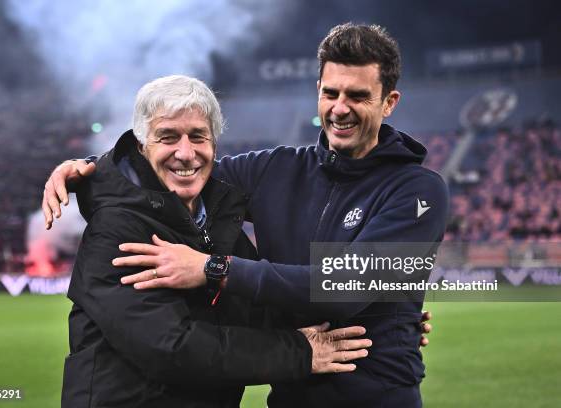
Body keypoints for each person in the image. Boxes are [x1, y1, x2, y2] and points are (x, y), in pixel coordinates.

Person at [45, 23, 445, 407]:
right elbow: (175, 169)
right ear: (318, 91)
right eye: (331, 93)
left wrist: (214, 268)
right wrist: (92, 170)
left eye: (357, 96)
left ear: (389, 102)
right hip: (291, 395)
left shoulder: (417, 191)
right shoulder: (275, 169)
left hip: (376, 399)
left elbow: (344, 287)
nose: (340, 109)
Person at [60, 75, 373, 408]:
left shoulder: (217, 221)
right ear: (141, 145)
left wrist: (383, 319)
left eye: (198, 137)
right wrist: (300, 352)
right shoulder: (117, 228)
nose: (185, 153)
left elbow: (259, 313)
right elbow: (171, 348)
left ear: (214, 144)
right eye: (167, 137)